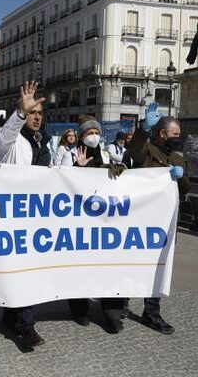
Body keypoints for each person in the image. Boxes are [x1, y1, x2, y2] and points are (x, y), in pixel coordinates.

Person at [126, 102, 189, 335]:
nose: (178, 138)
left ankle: (151, 312)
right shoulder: (148, 151)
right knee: (131, 264)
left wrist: (181, 178)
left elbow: (186, 187)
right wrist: (143, 129)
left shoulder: (178, 157)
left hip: (166, 223)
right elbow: (135, 151)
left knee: (159, 268)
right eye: (175, 134)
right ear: (162, 134)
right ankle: (117, 304)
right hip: (141, 220)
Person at [0, 81, 49, 350]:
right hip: (12, 217)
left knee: (23, 272)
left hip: (36, 217)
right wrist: (19, 112)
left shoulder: (44, 142)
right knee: (22, 273)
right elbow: (1, 138)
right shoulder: (13, 141)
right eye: (32, 112)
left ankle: (9, 316)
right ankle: (26, 328)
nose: (36, 117)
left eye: (39, 113)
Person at [67, 118, 127, 333]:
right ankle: (79, 308)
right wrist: (77, 168)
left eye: (95, 131)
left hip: (104, 220)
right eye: (88, 132)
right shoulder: (71, 154)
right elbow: (62, 184)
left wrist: (119, 171)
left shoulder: (106, 154)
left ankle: (112, 313)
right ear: (81, 136)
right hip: (80, 221)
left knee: (109, 267)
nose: (92, 135)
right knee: (79, 267)